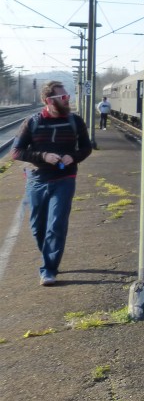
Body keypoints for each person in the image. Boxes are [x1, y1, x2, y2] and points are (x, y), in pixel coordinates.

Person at [11, 81, 93, 286]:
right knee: (37, 227)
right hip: (37, 179)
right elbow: (16, 152)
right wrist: (43, 156)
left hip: (65, 178)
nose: (67, 100)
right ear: (49, 101)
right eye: (62, 97)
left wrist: (73, 157)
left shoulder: (75, 121)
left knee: (56, 224)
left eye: (67, 96)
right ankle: (49, 254)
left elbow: (86, 148)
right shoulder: (32, 122)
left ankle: (48, 269)